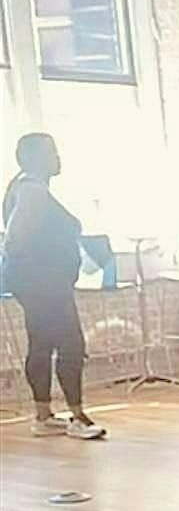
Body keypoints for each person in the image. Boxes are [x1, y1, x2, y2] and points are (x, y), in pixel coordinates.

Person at [1, 134, 104, 439]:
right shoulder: (32, 191)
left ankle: (43, 416)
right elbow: (15, 239)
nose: (58, 158)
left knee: (42, 344)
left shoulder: (26, 187)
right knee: (71, 344)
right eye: (52, 152)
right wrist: (39, 275)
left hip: (39, 283)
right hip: (44, 286)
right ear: (35, 158)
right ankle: (77, 416)